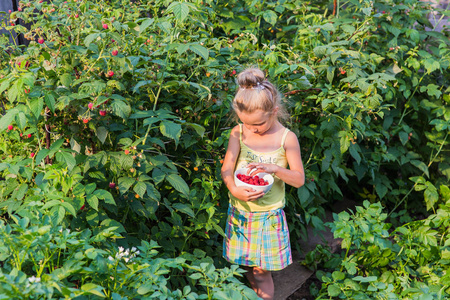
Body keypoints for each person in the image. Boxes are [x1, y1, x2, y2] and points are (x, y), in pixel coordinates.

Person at [221, 67, 305, 300]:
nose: (252, 129)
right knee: (247, 268)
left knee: (261, 273)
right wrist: (233, 188)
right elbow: (227, 168)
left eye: (257, 124)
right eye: (246, 123)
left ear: (274, 111)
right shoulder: (238, 133)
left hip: (268, 217)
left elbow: (299, 180)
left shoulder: (286, 138)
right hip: (240, 213)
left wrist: (276, 169)